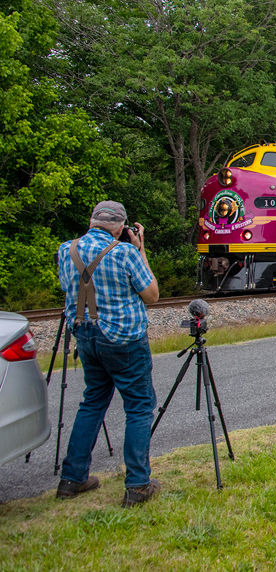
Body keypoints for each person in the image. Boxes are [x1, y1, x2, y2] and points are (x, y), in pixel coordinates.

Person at [55, 200, 161, 508]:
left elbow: (67, 287)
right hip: (125, 340)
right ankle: (138, 485)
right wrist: (140, 248)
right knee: (139, 407)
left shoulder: (67, 250)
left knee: (92, 403)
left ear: (91, 222)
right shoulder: (126, 253)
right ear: (121, 227)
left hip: (86, 336)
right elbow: (151, 295)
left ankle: (72, 478)